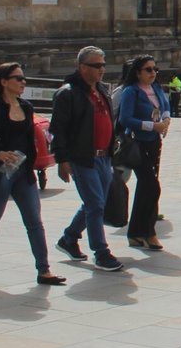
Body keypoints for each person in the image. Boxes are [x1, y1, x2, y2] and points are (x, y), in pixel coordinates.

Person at [0, 63, 67, 286]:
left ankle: (44, 270)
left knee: (35, 223)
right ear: (4, 81)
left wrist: (33, 167)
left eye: (23, 78)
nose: (23, 82)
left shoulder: (26, 107)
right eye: (18, 78)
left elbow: (28, 140)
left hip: (23, 173)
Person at [52, 46, 124, 272]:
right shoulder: (68, 93)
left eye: (103, 64)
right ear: (82, 67)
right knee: (95, 204)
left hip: (104, 157)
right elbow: (59, 129)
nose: (102, 69)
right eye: (97, 65)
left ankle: (69, 238)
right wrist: (62, 160)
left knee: (95, 203)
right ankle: (101, 252)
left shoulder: (101, 89)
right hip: (82, 158)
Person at [117, 55, 172, 251]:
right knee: (152, 186)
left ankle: (136, 233)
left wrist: (165, 120)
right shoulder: (131, 91)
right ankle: (149, 232)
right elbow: (125, 119)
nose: (153, 73)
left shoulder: (156, 88)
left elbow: (165, 106)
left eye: (155, 69)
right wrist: (152, 126)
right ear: (138, 72)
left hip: (154, 143)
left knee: (146, 187)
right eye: (148, 69)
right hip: (137, 142)